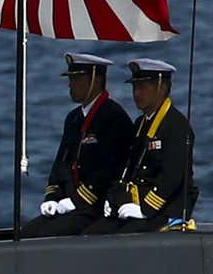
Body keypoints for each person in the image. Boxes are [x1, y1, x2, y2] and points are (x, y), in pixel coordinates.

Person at [21, 52, 133, 237]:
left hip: (96, 205)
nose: (70, 85)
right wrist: (52, 197)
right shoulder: (73, 118)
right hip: (71, 204)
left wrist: (75, 201)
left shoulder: (113, 117)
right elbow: (61, 164)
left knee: (49, 235)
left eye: (77, 79)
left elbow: (108, 170)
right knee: (27, 233)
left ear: (95, 81)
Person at [83, 58, 196, 235]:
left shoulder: (176, 126)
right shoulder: (141, 124)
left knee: (118, 239)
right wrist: (113, 199)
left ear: (162, 88)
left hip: (163, 210)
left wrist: (144, 208)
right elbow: (129, 168)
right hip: (135, 205)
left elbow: (171, 177)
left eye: (143, 87)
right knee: (90, 235)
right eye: (135, 87)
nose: (137, 93)